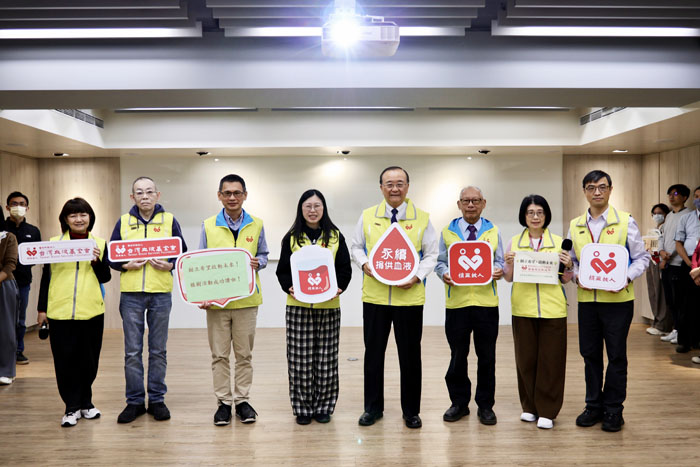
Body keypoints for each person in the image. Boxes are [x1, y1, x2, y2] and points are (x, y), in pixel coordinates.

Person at [351, 166, 438, 429]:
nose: (395, 189)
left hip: (409, 299)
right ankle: (372, 409)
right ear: (381, 188)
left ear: (408, 187)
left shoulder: (422, 218)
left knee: (410, 357)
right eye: (389, 184)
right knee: (373, 355)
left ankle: (411, 411)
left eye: (400, 183)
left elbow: (431, 254)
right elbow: (355, 246)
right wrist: (366, 265)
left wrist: (417, 276)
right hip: (375, 298)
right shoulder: (367, 216)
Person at [568, 170, 650, 432]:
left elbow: (642, 258)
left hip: (618, 302)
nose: (597, 192)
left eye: (602, 187)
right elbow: (573, 262)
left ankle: (614, 409)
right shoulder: (575, 224)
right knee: (590, 355)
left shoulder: (625, 221)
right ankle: (593, 406)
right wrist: (576, 276)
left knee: (616, 356)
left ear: (610, 189)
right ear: (584, 191)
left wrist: (625, 277)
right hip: (588, 301)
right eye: (591, 187)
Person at [111, 177, 188, 424]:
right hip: (131, 295)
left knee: (158, 350)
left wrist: (171, 265)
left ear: (158, 195)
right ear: (132, 197)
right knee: (132, 351)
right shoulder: (123, 222)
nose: (145, 196)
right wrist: (126, 265)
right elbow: (112, 257)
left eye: (149, 192)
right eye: (139, 192)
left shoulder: (169, 220)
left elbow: (182, 254)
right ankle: (134, 402)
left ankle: (156, 399)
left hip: (160, 294)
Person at [275, 189, 352, 425]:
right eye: (307, 206)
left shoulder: (336, 236)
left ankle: (324, 407)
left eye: (317, 205)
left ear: (324, 208)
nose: (312, 210)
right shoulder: (291, 237)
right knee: (300, 359)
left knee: (326, 359)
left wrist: (339, 287)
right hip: (298, 307)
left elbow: (344, 269)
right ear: (301, 209)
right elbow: (283, 271)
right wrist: (289, 287)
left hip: (328, 305)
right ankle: (302, 408)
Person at [198, 174, 269, 426]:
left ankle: (242, 401)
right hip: (217, 303)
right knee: (219, 355)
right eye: (227, 193)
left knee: (244, 355)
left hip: (247, 301)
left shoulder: (257, 224)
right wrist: (202, 296)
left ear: (245, 195)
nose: (232, 197)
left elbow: (263, 254)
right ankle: (223, 403)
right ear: (219, 195)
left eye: (237, 193)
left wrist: (258, 262)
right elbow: (200, 263)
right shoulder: (208, 225)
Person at [36, 198, 111, 427]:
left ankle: (86, 403)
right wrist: (42, 309)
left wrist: (97, 261)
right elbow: (46, 277)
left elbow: (105, 277)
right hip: (60, 312)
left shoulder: (99, 242)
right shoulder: (54, 243)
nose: (79, 219)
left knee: (89, 361)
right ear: (65, 220)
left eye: (83, 214)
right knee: (65, 361)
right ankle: (71, 407)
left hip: (91, 312)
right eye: (73, 215)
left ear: (90, 217)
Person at [435, 186, 504, 426]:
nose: (471, 205)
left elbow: (501, 261)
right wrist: (444, 274)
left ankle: (485, 406)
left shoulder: (493, 230)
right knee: (458, 355)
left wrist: (499, 270)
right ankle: (459, 403)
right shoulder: (447, 231)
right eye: (466, 201)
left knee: (487, 356)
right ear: (459, 204)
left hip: (486, 303)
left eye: (475, 200)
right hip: (457, 304)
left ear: (484, 203)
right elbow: (440, 262)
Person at [503, 195, 573, 429]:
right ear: (524, 216)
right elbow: (508, 277)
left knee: (551, 361)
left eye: (540, 212)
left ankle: (548, 410)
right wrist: (509, 263)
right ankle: (530, 407)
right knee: (526, 360)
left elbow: (566, 280)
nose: (535, 217)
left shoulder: (559, 242)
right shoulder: (514, 243)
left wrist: (570, 266)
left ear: (546, 216)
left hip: (553, 309)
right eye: (530, 212)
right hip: (523, 309)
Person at [4, 191, 41, 365]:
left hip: (23, 281)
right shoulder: (1, 230)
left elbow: (38, 255)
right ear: (7, 207)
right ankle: (4, 352)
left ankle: (18, 350)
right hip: (3, 281)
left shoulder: (33, 231)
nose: (18, 207)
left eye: (21, 204)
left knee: (20, 318)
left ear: (27, 208)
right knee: (4, 317)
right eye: (14, 204)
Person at [658, 184, 691, 345]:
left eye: (675, 194)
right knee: (670, 300)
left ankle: (681, 332)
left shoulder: (688, 216)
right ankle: (676, 329)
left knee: (680, 301)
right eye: (669, 194)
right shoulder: (669, 216)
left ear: (685, 197)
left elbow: (681, 241)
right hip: (666, 264)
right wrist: (661, 252)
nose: (671, 196)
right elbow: (661, 237)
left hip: (678, 264)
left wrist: (666, 258)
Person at [673, 186, 700, 353]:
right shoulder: (686, 218)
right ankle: (685, 341)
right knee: (685, 304)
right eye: (696, 196)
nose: (698, 199)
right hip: (689, 264)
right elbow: (678, 243)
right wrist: (691, 263)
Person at [645, 203, 672, 336]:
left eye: (660, 213)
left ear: (666, 214)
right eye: (654, 213)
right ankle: (656, 321)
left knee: (661, 294)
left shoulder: (667, 228)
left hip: (661, 263)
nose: (657, 216)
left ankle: (663, 325)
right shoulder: (653, 230)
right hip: (651, 263)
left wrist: (664, 260)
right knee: (653, 293)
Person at [0, 229, 19, 386]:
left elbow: (10, 265)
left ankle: (6, 371)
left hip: (3, 284)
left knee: (5, 330)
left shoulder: (7, 237)